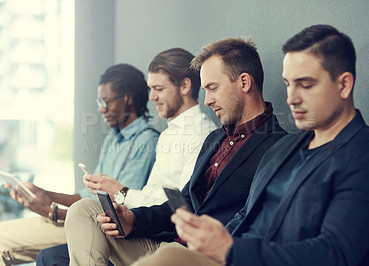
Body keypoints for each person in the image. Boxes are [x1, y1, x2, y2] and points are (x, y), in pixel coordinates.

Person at [133, 24, 369, 266]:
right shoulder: (288, 147)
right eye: (288, 84)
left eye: (305, 85)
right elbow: (245, 215)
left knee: (166, 258)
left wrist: (230, 250)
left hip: (243, 257)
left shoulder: (367, 158)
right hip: (230, 256)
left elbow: (334, 254)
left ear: (344, 85)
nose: (292, 98)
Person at [64, 37, 287, 266]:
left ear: (244, 82)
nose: (207, 101)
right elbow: (185, 202)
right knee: (84, 212)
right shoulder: (215, 139)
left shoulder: (279, 148)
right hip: (172, 243)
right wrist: (134, 219)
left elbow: (260, 222)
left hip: (208, 255)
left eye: (212, 88)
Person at [35, 48, 217, 265]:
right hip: (144, 224)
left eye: (158, 89)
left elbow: (181, 206)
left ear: (185, 86)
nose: (152, 97)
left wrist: (121, 192)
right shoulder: (170, 133)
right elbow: (154, 193)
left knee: (80, 219)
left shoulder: (201, 136)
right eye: (151, 89)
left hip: (163, 235)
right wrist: (120, 195)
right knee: (81, 211)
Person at [0, 64, 160, 266]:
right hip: (81, 217)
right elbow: (88, 197)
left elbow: (117, 210)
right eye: (99, 101)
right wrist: (45, 195)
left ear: (127, 98)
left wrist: (52, 211)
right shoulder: (114, 138)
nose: (101, 108)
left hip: (97, 227)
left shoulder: (147, 142)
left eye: (106, 101)